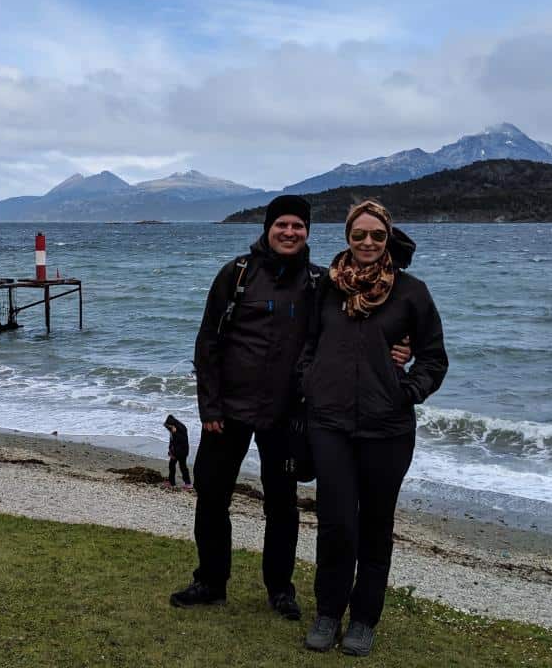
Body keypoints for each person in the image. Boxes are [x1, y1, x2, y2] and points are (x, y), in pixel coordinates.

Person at [170, 195, 411, 621]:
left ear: (308, 233)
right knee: (211, 496)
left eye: (298, 226)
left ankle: (280, 589)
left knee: (282, 507)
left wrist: (401, 344)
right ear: (268, 228)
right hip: (227, 410)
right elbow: (207, 343)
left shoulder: (323, 282)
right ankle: (210, 580)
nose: (289, 232)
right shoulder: (237, 274)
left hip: (288, 414)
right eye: (282, 224)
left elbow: (366, 314)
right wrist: (209, 405)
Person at [297, 200, 448, 656]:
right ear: (347, 236)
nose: (367, 243)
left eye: (377, 236)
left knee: (376, 526)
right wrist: (311, 381)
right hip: (330, 424)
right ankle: (328, 612)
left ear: (388, 239)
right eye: (359, 234)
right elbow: (307, 345)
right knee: (336, 523)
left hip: (388, 429)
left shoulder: (411, 292)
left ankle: (363, 619)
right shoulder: (325, 288)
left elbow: (434, 358)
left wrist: (406, 389)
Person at [163, 414, 192, 489]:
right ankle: (172, 482)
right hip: (175, 450)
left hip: (182, 451)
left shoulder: (181, 428)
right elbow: (172, 441)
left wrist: (175, 433)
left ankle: (188, 483)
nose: (167, 428)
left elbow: (183, 441)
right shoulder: (172, 429)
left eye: (168, 426)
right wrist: (170, 450)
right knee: (172, 465)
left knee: (182, 466)